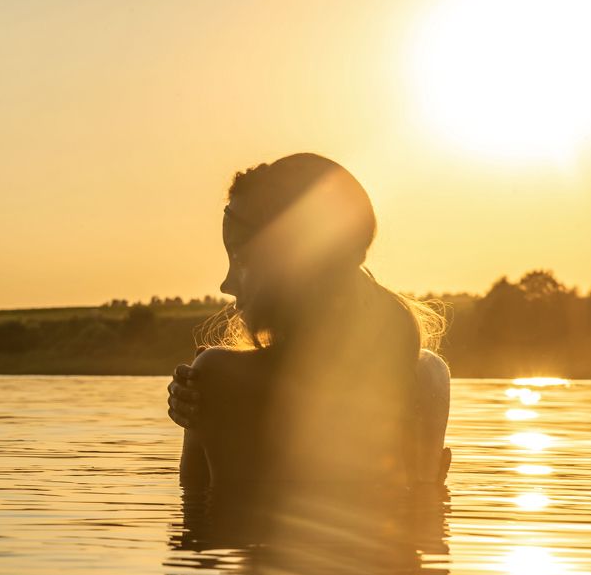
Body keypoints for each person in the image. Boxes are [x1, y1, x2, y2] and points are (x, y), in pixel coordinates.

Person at [166, 153, 451, 490]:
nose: (226, 285)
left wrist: (204, 405)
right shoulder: (429, 375)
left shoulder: (216, 373)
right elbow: (428, 510)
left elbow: (196, 520)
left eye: (240, 255)